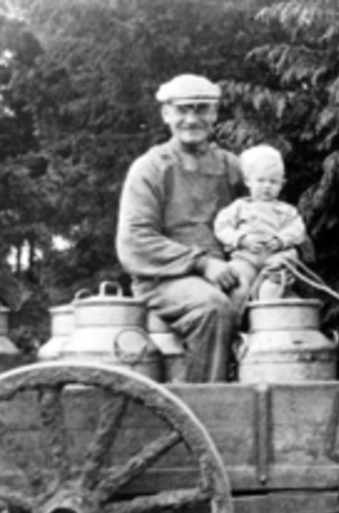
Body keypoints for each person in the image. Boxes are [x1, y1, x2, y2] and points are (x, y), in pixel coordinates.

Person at [116, 73, 244, 383]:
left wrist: (271, 250)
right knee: (213, 309)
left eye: (202, 109)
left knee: (280, 308)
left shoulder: (231, 166)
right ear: (166, 114)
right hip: (164, 277)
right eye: (183, 109)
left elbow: (259, 215)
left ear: (214, 114)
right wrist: (201, 263)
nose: (192, 118)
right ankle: (205, 417)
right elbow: (135, 240)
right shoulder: (150, 168)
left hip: (225, 272)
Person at [214, 144, 310, 302]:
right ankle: (236, 319)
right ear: (248, 181)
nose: (267, 186)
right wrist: (241, 239)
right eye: (261, 180)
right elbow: (222, 227)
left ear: (281, 184)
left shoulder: (286, 210)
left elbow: (297, 229)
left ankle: (267, 304)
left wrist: (281, 240)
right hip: (246, 259)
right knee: (237, 283)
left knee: (276, 280)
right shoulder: (239, 207)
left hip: (274, 260)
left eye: (273, 182)